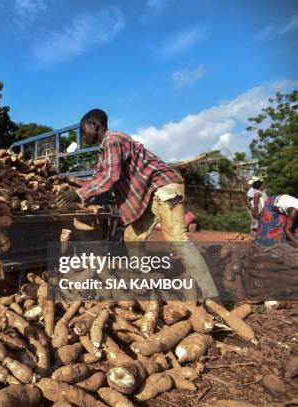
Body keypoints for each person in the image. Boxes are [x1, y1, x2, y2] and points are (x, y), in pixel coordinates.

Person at [56, 108, 218, 298]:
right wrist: (70, 183)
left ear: (95, 125)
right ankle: (146, 285)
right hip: (149, 194)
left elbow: (110, 177)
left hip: (163, 188)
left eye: (84, 131)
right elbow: (98, 178)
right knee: (132, 238)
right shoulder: (104, 153)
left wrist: (78, 194)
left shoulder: (113, 139)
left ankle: (212, 297)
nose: (83, 136)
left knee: (178, 241)